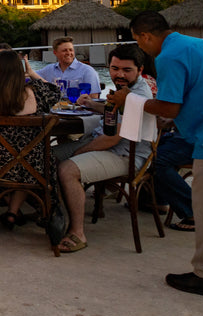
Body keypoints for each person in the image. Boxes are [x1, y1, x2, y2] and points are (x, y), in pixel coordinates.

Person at [107, 11, 203, 300]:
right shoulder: (200, 45)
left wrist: (129, 99)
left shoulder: (169, 56)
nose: (142, 49)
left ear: (145, 36)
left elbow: (169, 108)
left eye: (139, 43)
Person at [52, 45, 153, 253]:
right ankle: (53, 213)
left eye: (127, 70)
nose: (119, 74)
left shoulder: (137, 96)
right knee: (46, 157)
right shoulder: (126, 90)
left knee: (67, 169)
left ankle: (77, 232)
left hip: (125, 155)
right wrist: (91, 104)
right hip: (108, 146)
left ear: (140, 70)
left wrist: (81, 152)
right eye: (115, 69)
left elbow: (112, 139)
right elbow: (112, 112)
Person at [0, 49, 61, 238]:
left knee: (13, 161)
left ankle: (10, 212)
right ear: (19, 70)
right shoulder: (37, 94)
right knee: (24, 160)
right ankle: (14, 212)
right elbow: (56, 91)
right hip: (34, 168)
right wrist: (32, 74)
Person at [154, 129, 195, 232]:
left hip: (200, 141)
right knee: (146, 147)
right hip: (180, 135)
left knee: (154, 160)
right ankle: (156, 200)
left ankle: (193, 211)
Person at [36, 36, 101, 98]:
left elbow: (94, 97)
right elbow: (31, 75)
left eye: (71, 50)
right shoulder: (49, 69)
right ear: (55, 53)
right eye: (64, 50)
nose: (68, 53)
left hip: (79, 108)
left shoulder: (87, 71)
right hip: (55, 108)